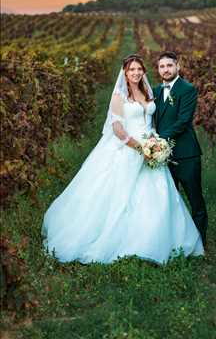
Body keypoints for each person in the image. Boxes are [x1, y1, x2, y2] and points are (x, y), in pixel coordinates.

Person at [41, 54, 204, 265]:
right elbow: (117, 128)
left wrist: (154, 144)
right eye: (131, 69)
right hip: (130, 149)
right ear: (125, 73)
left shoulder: (149, 92)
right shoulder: (119, 95)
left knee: (158, 196)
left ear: (144, 71)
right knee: (118, 197)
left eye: (139, 69)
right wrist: (140, 147)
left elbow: (157, 119)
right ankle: (120, 242)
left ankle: (156, 240)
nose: (136, 73)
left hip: (151, 147)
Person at [153, 51, 208, 247]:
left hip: (186, 154)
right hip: (161, 156)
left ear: (178, 66)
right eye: (161, 66)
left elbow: (183, 121)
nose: (165, 70)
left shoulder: (187, 89)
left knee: (195, 199)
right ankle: (173, 241)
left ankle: (200, 243)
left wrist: (159, 139)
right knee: (169, 200)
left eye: (169, 65)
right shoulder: (156, 91)